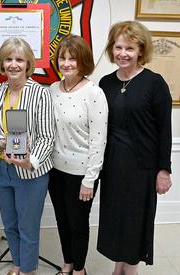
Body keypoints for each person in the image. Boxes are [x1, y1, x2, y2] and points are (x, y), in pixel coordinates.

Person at [97, 21, 172, 275]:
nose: (123, 53)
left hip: (141, 167)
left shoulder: (154, 83)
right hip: (112, 166)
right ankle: (119, 268)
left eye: (129, 48)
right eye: (118, 47)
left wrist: (164, 171)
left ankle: (130, 271)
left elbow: (164, 131)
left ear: (141, 50)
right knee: (116, 219)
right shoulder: (105, 83)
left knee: (134, 221)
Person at [0, 37, 55, 275]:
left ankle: (28, 269)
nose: (13, 64)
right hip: (2, 169)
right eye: (8, 59)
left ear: (28, 64)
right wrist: (0, 142)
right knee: (10, 225)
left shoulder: (40, 94)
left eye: (19, 59)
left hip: (30, 171)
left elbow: (47, 137)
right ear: (2, 64)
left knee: (28, 226)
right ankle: (17, 263)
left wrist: (30, 161)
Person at [49, 35, 108, 275]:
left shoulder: (94, 93)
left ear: (83, 61)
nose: (66, 63)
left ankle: (80, 270)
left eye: (72, 59)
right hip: (55, 170)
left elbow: (98, 140)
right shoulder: (53, 89)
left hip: (81, 173)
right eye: (62, 58)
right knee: (62, 221)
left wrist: (89, 179)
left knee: (78, 224)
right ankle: (68, 263)